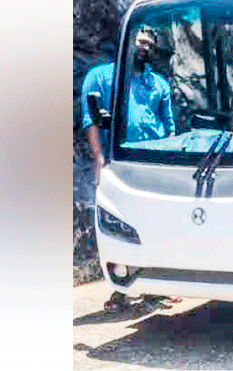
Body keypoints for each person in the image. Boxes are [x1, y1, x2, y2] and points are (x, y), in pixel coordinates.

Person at [80, 26, 178, 312]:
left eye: (150, 43)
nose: (145, 47)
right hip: (120, 164)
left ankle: (156, 289)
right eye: (140, 40)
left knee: (158, 224)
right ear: (126, 42)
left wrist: (172, 167)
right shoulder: (99, 77)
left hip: (156, 164)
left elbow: (169, 126)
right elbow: (91, 122)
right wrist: (99, 160)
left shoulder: (159, 84)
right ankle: (121, 290)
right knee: (122, 225)